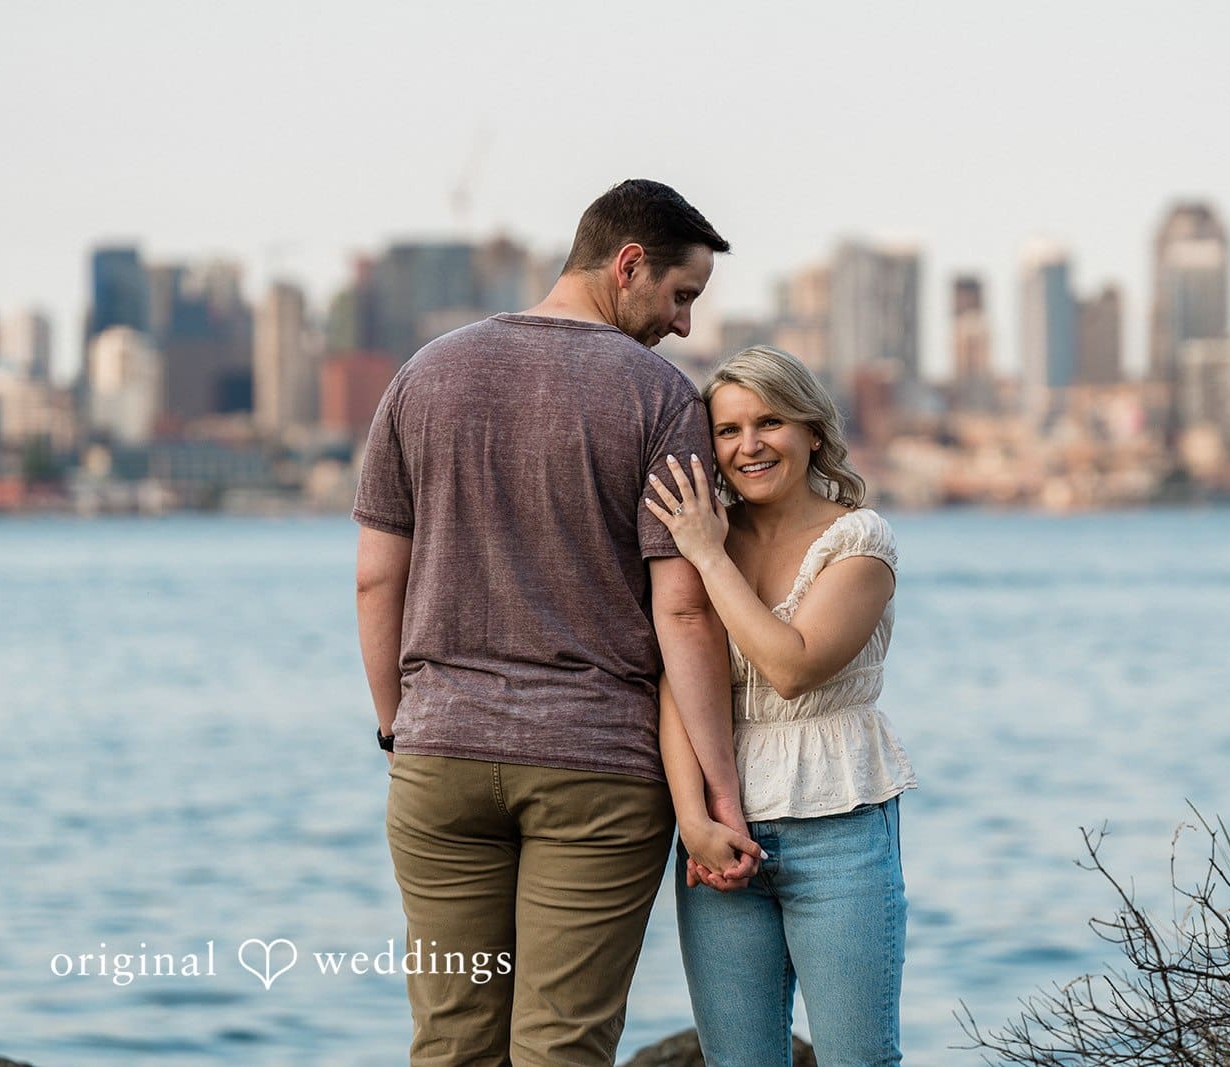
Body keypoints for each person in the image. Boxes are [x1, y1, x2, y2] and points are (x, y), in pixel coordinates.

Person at [353, 179, 761, 1067]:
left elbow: (375, 582)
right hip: (597, 772)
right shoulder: (661, 399)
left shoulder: (424, 374)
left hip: (439, 763)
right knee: (562, 1048)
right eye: (681, 295)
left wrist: (398, 726)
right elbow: (684, 609)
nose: (684, 325)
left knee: (451, 1043)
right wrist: (721, 795)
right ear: (628, 265)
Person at [646, 345, 917, 1066]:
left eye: (770, 422)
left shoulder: (860, 541)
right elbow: (675, 684)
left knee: (859, 1059)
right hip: (716, 841)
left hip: (842, 832)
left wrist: (708, 557)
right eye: (728, 430)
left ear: (813, 432)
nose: (749, 445)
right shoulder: (704, 532)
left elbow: (791, 667)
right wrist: (692, 818)